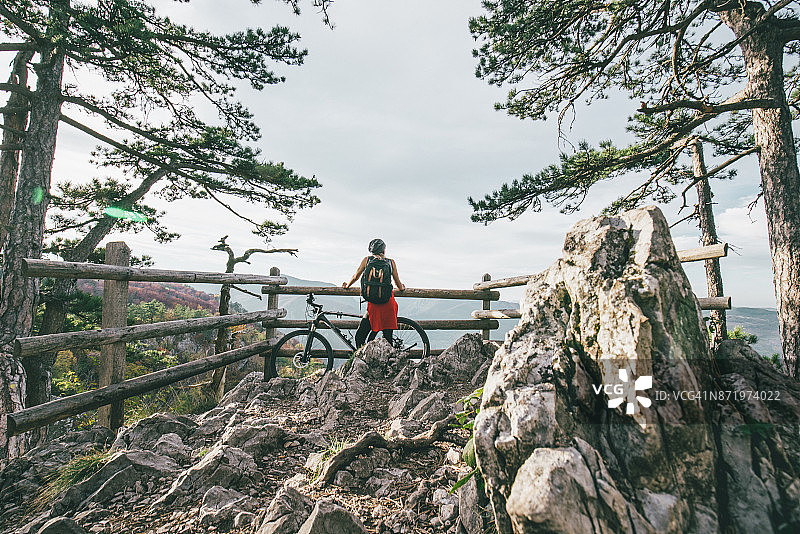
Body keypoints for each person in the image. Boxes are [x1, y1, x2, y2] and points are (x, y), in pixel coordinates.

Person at [342, 238, 406, 347]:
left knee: (360, 337)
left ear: (371, 251)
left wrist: (347, 285)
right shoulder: (391, 262)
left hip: (373, 305)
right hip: (388, 304)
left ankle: (363, 361)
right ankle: (390, 362)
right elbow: (398, 284)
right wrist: (402, 287)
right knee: (388, 338)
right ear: (384, 251)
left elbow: (355, 277)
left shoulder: (367, 260)